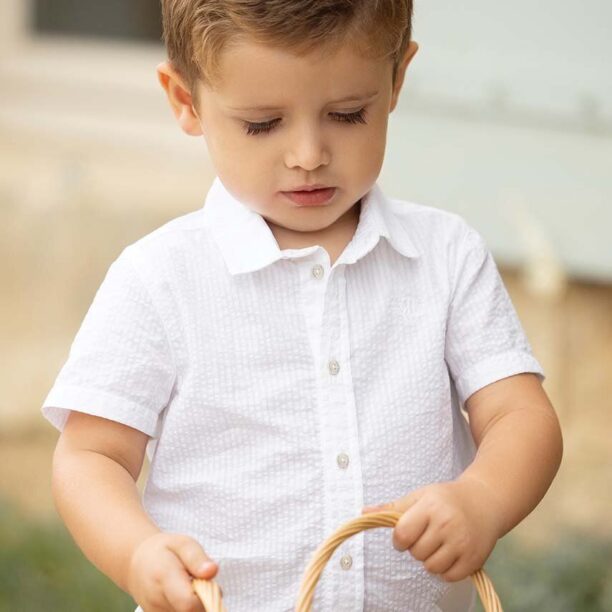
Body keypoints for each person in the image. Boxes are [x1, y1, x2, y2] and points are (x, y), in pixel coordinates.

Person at [42, 1, 564, 610]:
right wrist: (135, 552)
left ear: (396, 80)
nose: (308, 154)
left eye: (348, 114)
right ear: (186, 100)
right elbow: (89, 456)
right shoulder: (160, 279)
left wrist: (483, 499)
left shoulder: (446, 257)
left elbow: (521, 417)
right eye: (263, 125)